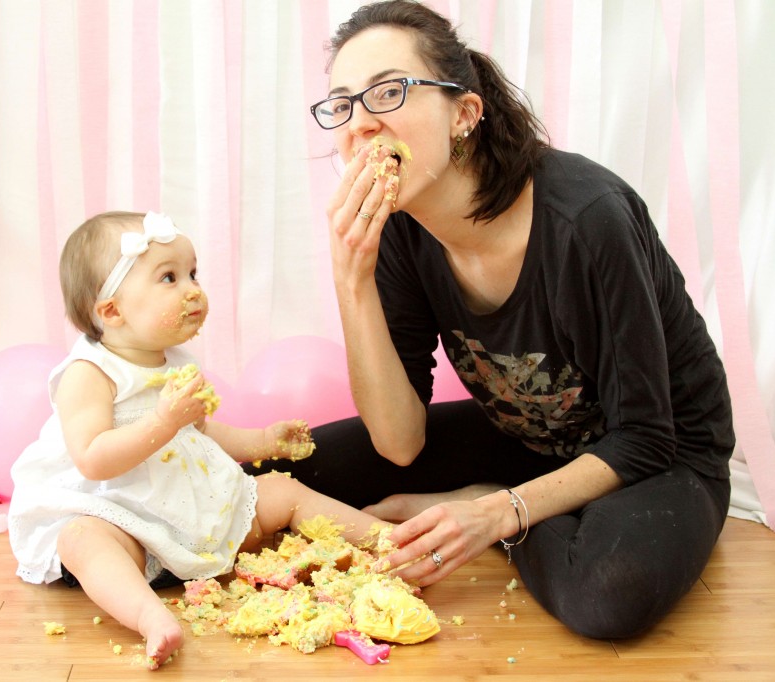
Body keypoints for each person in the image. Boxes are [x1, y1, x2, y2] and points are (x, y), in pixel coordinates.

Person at [267, 0, 734, 639]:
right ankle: (506, 497)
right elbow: (399, 442)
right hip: (524, 436)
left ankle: (498, 507)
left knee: (607, 595)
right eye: (344, 104)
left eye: (389, 91)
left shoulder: (587, 220)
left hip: (660, 453)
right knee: (284, 473)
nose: (361, 123)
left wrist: (491, 515)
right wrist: (352, 278)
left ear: (465, 112)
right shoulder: (402, 230)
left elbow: (647, 437)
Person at [7, 211, 385, 669]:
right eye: (169, 278)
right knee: (82, 539)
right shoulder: (89, 374)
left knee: (280, 491)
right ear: (112, 310)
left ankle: (392, 540)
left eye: (192, 273)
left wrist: (263, 441)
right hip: (123, 516)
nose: (192, 289)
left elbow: (201, 436)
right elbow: (92, 459)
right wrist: (163, 422)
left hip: (186, 508)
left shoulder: (174, 361)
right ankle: (148, 615)